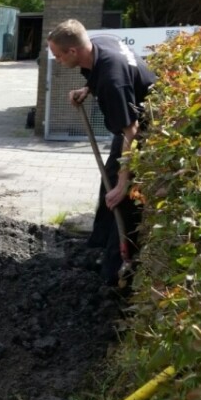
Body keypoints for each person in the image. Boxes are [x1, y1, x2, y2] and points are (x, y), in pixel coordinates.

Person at [46, 19, 157, 287]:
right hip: (135, 120)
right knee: (108, 181)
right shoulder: (100, 45)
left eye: (59, 55)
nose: (58, 61)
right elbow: (105, 75)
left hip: (148, 128)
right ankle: (99, 244)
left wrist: (123, 183)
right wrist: (87, 89)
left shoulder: (111, 81)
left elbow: (131, 133)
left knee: (122, 199)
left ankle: (115, 269)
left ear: (73, 51)